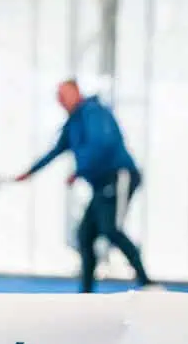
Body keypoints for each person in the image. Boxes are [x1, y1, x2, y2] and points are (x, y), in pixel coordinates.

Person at [16, 80, 156, 293]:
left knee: (111, 229)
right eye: (58, 96)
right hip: (100, 185)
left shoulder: (94, 111)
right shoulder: (72, 124)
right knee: (85, 235)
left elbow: (102, 142)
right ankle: (87, 293)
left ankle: (147, 283)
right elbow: (55, 151)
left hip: (119, 176)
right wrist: (29, 172)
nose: (61, 100)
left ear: (76, 92)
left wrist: (79, 171)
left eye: (64, 94)